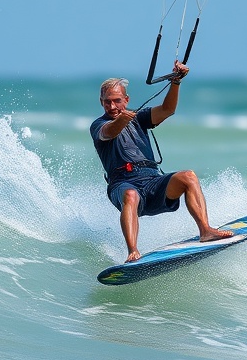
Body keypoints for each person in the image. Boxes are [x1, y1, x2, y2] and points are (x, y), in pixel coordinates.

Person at [90, 61, 232, 262]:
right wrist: (121, 119)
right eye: (107, 102)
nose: (112, 106)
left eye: (117, 101)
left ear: (126, 99)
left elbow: (167, 109)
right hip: (123, 184)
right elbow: (109, 132)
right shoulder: (98, 125)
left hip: (152, 182)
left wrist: (176, 82)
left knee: (188, 176)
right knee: (130, 195)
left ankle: (206, 230)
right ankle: (132, 251)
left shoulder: (139, 118)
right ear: (101, 102)